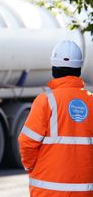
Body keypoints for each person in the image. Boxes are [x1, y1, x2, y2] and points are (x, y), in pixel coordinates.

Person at [18, 40, 93, 196]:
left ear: (54, 69)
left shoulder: (46, 101)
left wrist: (30, 166)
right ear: (78, 70)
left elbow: (27, 142)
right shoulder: (91, 102)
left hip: (48, 191)